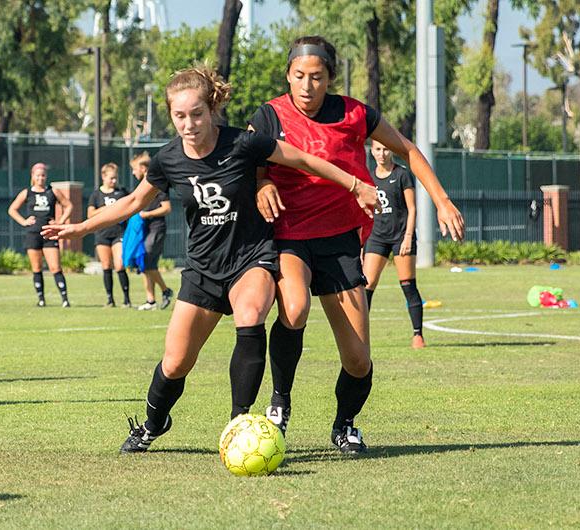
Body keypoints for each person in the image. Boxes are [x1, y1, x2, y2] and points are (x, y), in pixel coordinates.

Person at [42, 66, 375, 453]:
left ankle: (240, 423)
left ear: (212, 109)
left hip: (251, 259)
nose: (189, 123)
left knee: (251, 315)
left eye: (196, 114)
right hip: (202, 270)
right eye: (179, 116)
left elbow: (303, 160)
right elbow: (133, 202)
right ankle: (153, 423)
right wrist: (80, 228)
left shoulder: (244, 144)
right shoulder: (167, 159)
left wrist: (355, 185)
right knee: (175, 363)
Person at [249, 36, 467, 453]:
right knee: (294, 309)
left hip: (340, 240)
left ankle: (344, 424)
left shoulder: (354, 113)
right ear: (287, 77)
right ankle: (280, 401)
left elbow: (407, 149)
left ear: (330, 77)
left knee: (358, 359)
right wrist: (260, 185)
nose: (307, 86)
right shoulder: (269, 115)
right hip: (290, 234)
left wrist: (441, 200)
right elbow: (250, 164)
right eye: (299, 77)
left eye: (316, 77)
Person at [359, 142, 425, 349]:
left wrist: (407, 237)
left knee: (407, 284)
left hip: (400, 237)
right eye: (378, 149)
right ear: (372, 151)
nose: (382, 154)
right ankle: (360, 337)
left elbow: (412, 209)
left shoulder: (403, 175)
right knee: (366, 286)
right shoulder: (368, 177)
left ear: (391, 151)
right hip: (376, 237)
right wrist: (362, 244)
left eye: (386, 149)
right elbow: (365, 212)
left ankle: (418, 335)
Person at [9, 162, 71, 307]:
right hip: (33, 233)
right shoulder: (27, 192)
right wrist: (23, 221)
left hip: (49, 233)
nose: (41, 178)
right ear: (32, 176)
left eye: (43, 175)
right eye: (38, 175)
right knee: (36, 268)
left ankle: (65, 299)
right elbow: (12, 209)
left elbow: (68, 205)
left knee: (55, 267)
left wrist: (60, 221)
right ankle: (41, 299)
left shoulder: (53, 191)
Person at [127, 153, 175, 310]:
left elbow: (167, 208)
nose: (133, 173)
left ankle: (166, 290)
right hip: (144, 230)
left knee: (147, 261)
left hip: (156, 229)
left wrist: (146, 214)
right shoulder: (142, 186)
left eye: (134, 169)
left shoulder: (158, 185)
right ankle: (151, 301)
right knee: (144, 263)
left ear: (142, 168)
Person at [89, 163, 135, 307]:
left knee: (120, 264)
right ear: (103, 177)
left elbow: (131, 206)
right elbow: (90, 214)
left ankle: (127, 299)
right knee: (106, 265)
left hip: (119, 233)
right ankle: (110, 299)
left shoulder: (122, 192)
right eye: (111, 178)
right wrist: (105, 209)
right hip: (102, 234)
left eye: (116, 178)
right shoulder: (96, 194)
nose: (114, 181)